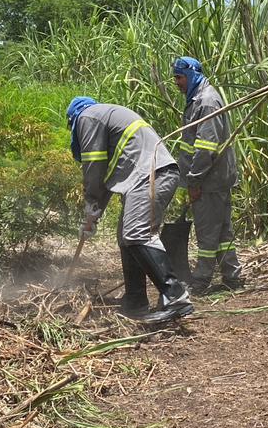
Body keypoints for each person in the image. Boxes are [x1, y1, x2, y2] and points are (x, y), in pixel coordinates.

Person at [68, 96, 193, 324]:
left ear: (73, 119)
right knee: (126, 237)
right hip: (148, 176)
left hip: (150, 176)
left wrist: (90, 204)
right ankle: (136, 301)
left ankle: (176, 296)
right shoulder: (104, 118)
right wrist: (93, 216)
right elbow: (104, 180)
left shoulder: (87, 116)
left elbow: (93, 168)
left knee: (136, 233)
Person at [172, 57, 244, 294]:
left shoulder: (207, 101)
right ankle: (232, 277)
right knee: (222, 230)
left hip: (209, 181)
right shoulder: (198, 99)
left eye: (179, 77)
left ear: (191, 75)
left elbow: (205, 148)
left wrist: (194, 180)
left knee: (207, 232)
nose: (176, 82)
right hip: (213, 179)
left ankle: (201, 280)